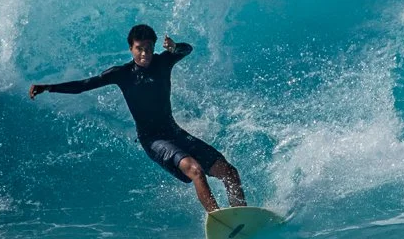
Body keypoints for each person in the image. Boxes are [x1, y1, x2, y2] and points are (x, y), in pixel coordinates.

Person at [29, 24, 246, 213]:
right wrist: (49, 87)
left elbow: (187, 49)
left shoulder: (163, 62)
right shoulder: (121, 73)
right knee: (196, 171)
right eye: (139, 49)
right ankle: (219, 220)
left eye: (149, 49)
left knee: (229, 172)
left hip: (174, 132)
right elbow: (84, 85)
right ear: (131, 49)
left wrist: (174, 47)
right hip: (153, 140)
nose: (145, 54)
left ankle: (242, 216)